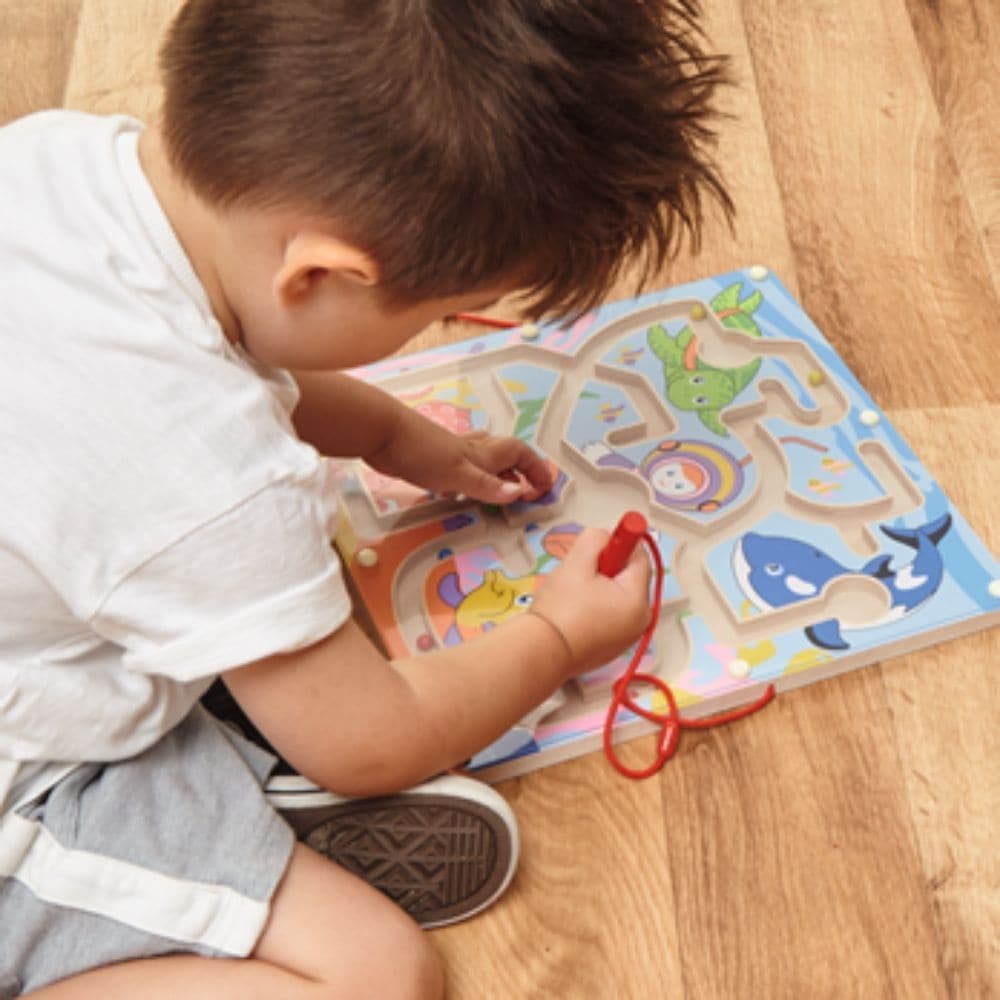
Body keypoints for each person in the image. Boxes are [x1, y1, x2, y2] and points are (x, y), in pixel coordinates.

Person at [0, 1, 730, 996]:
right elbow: (370, 741)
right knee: (380, 975)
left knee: (299, 598)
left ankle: (231, 809)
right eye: (433, 317)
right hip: (29, 791)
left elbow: (208, 361)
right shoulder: (207, 485)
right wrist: (558, 635)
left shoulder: (61, 160)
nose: (433, 333)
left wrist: (398, 438)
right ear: (322, 272)